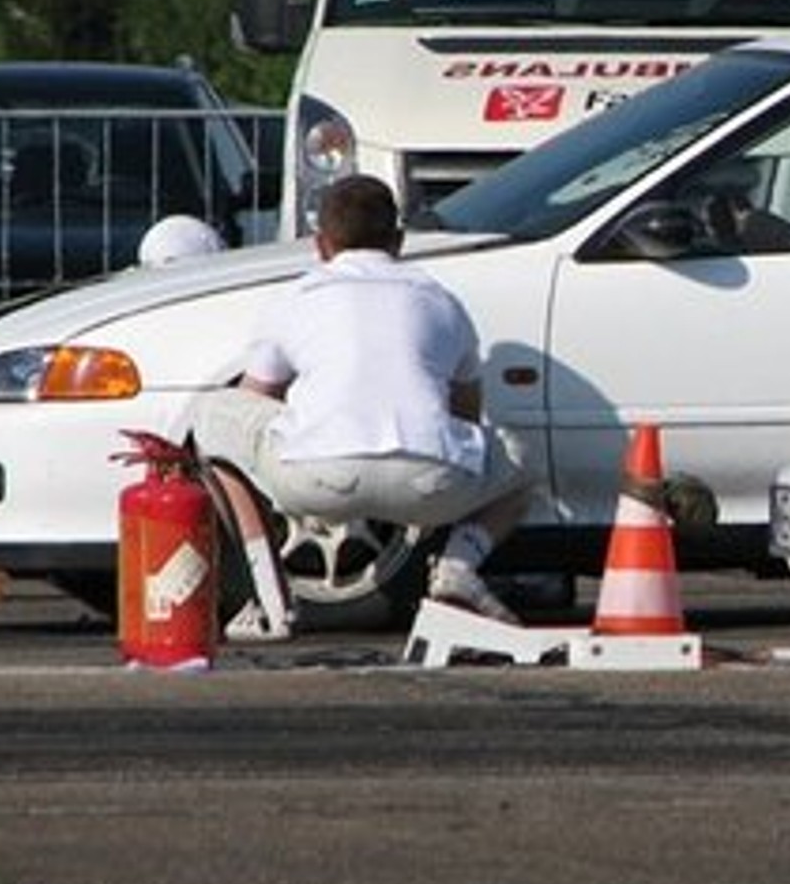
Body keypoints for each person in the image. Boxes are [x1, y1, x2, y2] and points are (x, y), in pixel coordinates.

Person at [190, 174, 533, 642]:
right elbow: (467, 412)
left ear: (320, 245)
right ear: (399, 240)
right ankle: (458, 566)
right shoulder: (442, 301)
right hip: (430, 483)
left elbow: (255, 399)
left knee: (214, 416)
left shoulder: (296, 297)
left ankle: (269, 597)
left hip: (316, 477)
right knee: (521, 458)